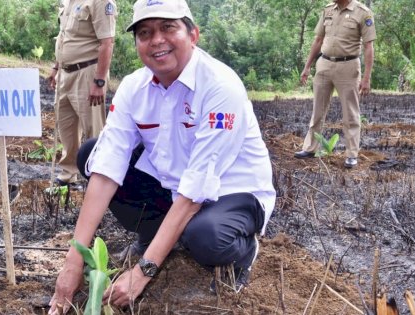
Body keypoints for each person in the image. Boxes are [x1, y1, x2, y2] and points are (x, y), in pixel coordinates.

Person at [48, 0, 276, 313]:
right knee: (92, 154)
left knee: (206, 236)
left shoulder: (220, 87)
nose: (157, 40)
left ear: (193, 35)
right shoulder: (133, 87)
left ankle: (243, 253)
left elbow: (197, 187)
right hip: (173, 187)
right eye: (145, 32)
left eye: (168, 28)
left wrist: (143, 272)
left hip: (231, 191)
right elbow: (107, 167)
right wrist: (74, 260)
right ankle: (156, 238)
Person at [295, 0, 375, 168]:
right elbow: (318, 40)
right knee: (317, 109)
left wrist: (366, 78)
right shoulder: (328, 10)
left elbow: (368, 46)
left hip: (348, 66)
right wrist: (307, 66)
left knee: (351, 113)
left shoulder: (363, 12)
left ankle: (352, 154)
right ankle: (310, 148)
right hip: (324, 64)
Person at [47, 0, 117, 186]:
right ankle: (69, 172)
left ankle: (100, 175)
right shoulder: (67, 2)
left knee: (93, 128)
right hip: (65, 72)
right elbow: (64, 36)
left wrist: (99, 81)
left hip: (88, 72)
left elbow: (107, 43)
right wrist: (56, 67)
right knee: (66, 125)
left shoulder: (100, 2)